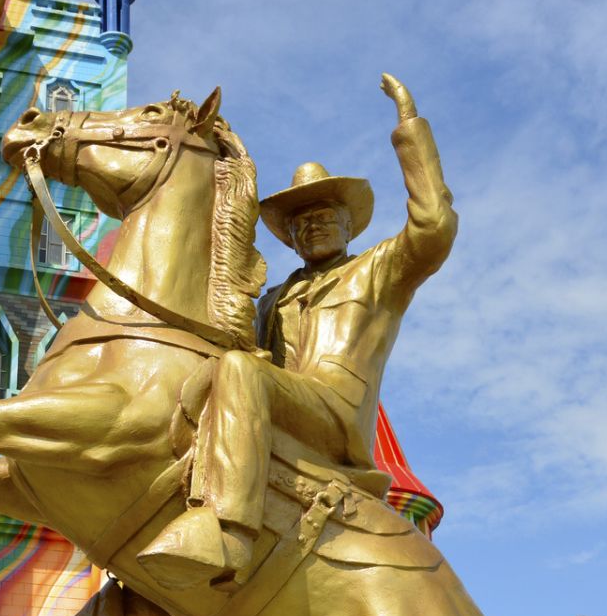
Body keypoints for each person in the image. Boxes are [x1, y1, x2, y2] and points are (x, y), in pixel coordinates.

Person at [137, 73, 456, 587]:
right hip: (284, 409)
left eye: (325, 215)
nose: (313, 226)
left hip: (335, 416)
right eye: (301, 222)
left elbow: (434, 226)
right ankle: (137, 588)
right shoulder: (273, 300)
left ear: (350, 224)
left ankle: (231, 532)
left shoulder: (378, 272)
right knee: (187, 392)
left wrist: (408, 128)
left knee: (237, 370)